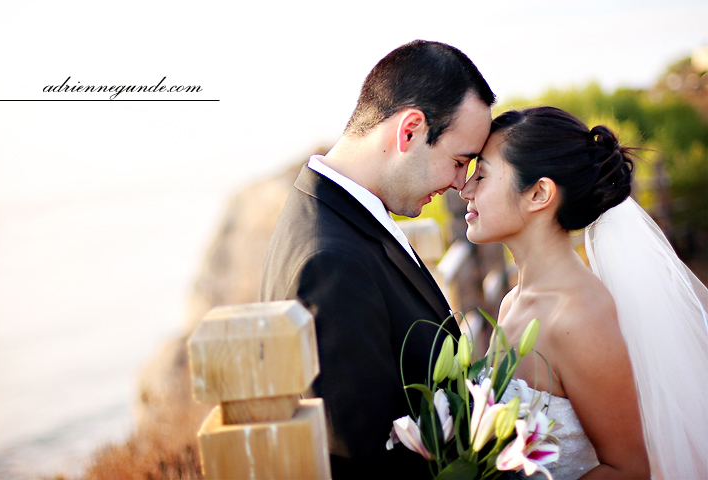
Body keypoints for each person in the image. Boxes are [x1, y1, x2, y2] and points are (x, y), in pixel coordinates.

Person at [259, 40, 495, 479]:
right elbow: (362, 460)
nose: (460, 184)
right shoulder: (331, 264)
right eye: (459, 161)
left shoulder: (339, 213)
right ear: (409, 131)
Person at [461, 106, 708, 480]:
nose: (465, 189)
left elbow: (629, 470)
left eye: (481, 175)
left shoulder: (578, 318)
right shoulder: (513, 301)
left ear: (539, 193)